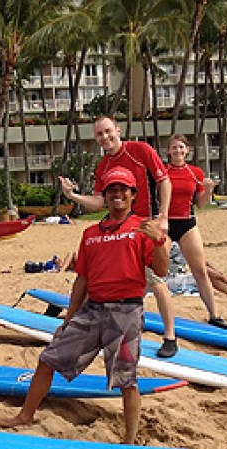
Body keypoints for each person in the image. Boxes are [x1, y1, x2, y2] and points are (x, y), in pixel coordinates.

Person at [0, 167, 169, 444]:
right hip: (93, 309)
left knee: (126, 378)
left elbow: (160, 271)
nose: (117, 194)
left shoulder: (141, 228)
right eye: (111, 190)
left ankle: (129, 439)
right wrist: (68, 318)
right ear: (105, 195)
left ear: (132, 195)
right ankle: (25, 416)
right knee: (47, 359)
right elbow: (82, 280)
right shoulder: (91, 234)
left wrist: (159, 241)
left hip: (126, 312)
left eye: (123, 189)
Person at [59, 116, 178, 358]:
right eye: (99, 135)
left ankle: (170, 337)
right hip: (120, 229)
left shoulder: (140, 150)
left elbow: (164, 181)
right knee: (98, 279)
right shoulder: (103, 166)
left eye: (108, 132)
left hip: (146, 225)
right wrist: (74, 197)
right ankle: (86, 330)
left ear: (118, 130)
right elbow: (100, 202)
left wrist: (162, 217)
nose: (105, 137)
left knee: (156, 279)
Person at [164, 134, 227, 329]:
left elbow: (201, 204)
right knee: (153, 270)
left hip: (187, 224)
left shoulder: (195, 173)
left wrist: (208, 190)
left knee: (200, 270)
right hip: (166, 224)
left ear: (187, 150)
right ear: (168, 151)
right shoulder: (162, 172)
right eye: (174, 148)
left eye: (181, 148)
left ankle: (214, 315)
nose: (178, 151)